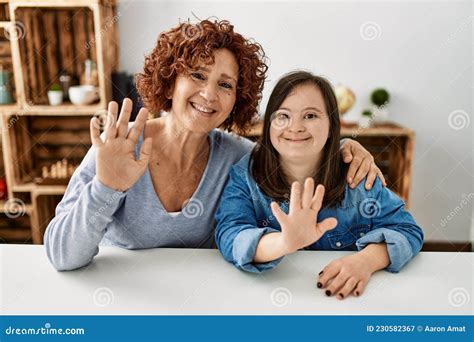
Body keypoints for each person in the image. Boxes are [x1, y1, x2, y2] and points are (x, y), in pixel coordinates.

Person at [44, 20, 385, 271]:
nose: (209, 95)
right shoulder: (120, 144)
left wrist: (344, 147)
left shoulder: (239, 157)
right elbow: (62, 256)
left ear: (237, 99)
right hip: (124, 301)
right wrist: (106, 188)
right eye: (197, 75)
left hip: (205, 303)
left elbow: (294, 152)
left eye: (225, 84)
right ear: (170, 78)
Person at [215, 71, 423, 299]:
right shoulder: (245, 174)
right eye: (283, 115)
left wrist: (366, 260)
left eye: (311, 116)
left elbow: (407, 230)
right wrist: (284, 242)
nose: (295, 127)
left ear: (332, 125)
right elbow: (230, 234)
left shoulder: (357, 173)